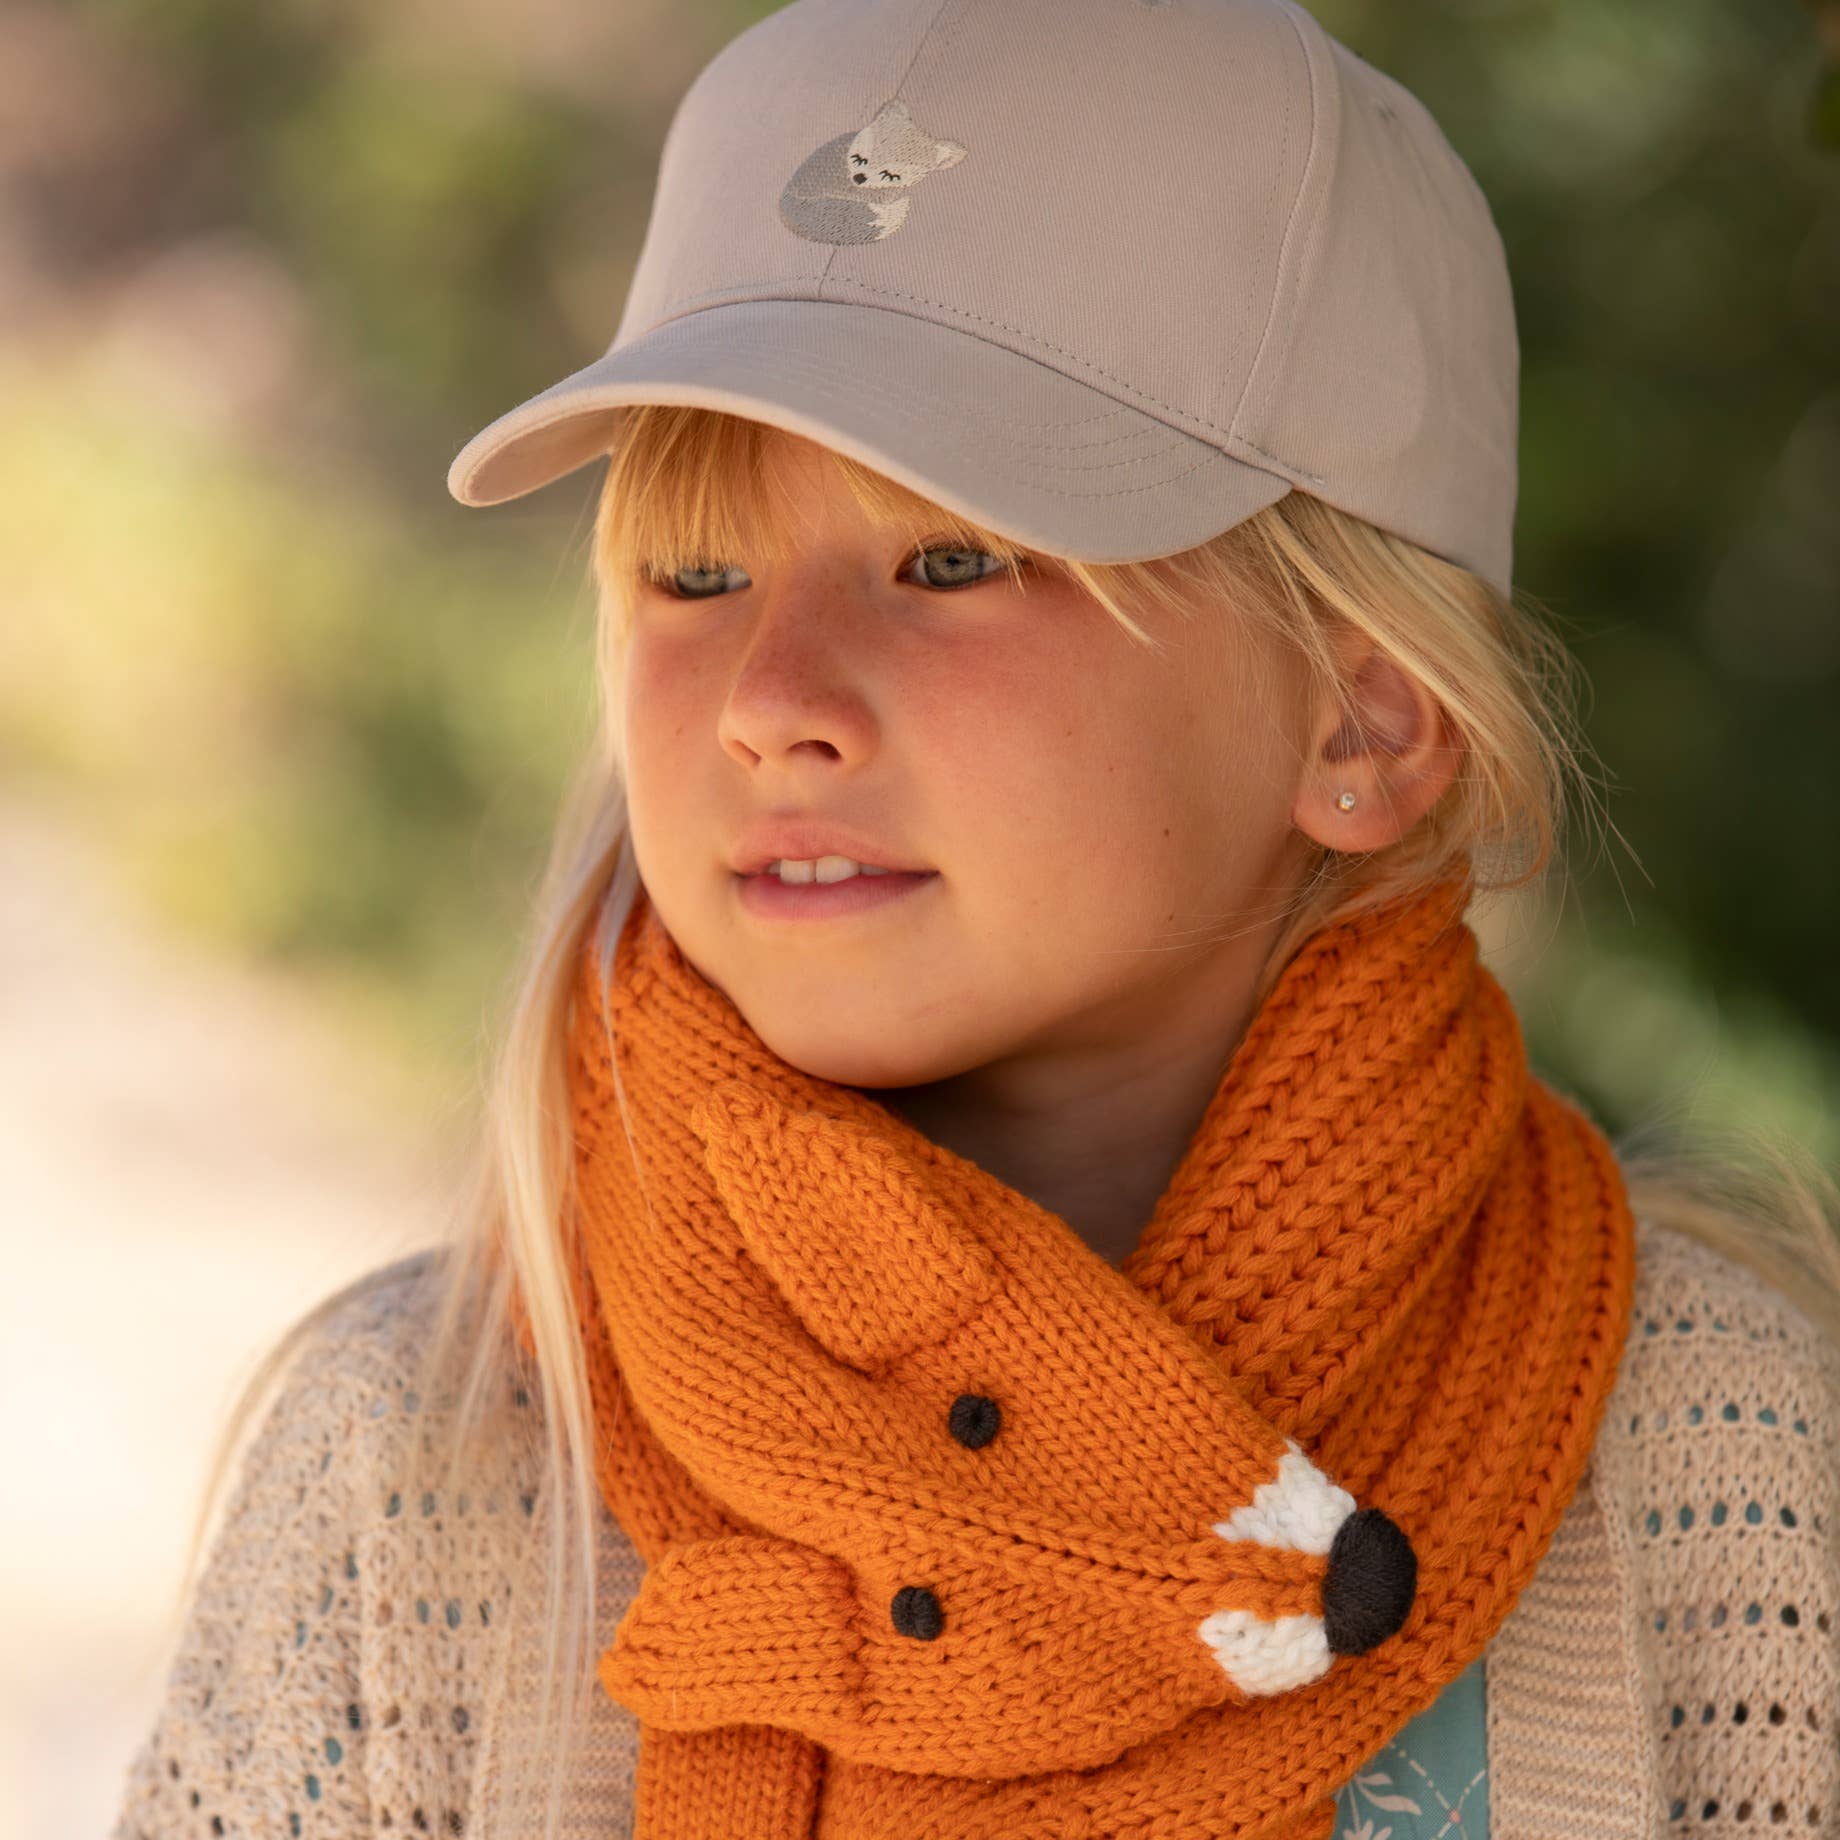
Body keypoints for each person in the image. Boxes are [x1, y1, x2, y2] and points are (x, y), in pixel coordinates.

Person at [111, 0, 1840, 1837]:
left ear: (1364, 720)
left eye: (954, 560)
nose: (772, 694)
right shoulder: (426, 1463)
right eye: (697, 572)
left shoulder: (1702, 1459)